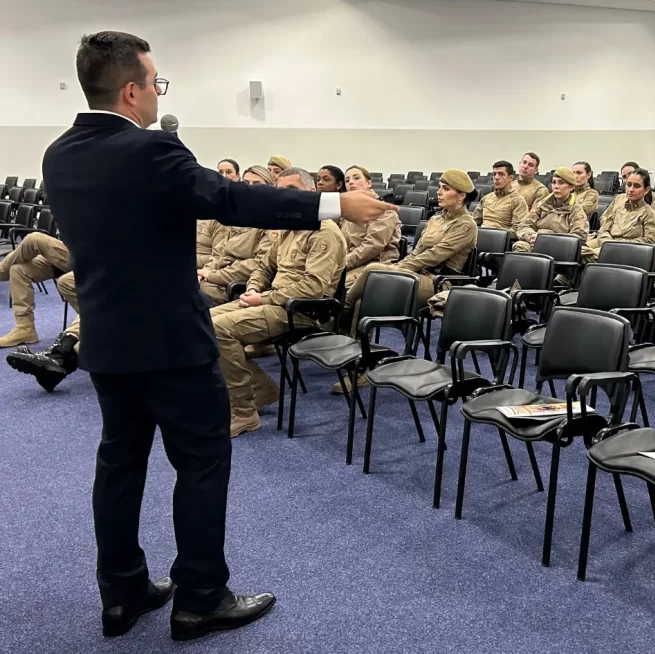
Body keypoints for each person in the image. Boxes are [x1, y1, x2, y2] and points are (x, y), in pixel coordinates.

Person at [42, 31, 395, 642]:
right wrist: (334, 204)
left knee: (119, 465)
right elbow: (229, 197)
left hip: (108, 340)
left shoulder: (59, 154)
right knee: (202, 465)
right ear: (132, 90)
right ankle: (200, 597)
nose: (159, 94)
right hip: (173, 345)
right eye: (158, 83)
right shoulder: (152, 152)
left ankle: (121, 591)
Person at [210, 167, 346, 435]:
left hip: (303, 311)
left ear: (312, 192)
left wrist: (263, 297)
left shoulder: (324, 231)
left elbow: (314, 287)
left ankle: (245, 412)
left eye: (292, 191)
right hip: (273, 303)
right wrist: (252, 288)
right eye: (280, 190)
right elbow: (263, 265)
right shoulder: (289, 227)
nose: (285, 196)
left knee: (218, 330)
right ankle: (259, 387)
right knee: (200, 323)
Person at [343, 169, 478, 328]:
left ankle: (339, 311)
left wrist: (399, 267)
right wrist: (400, 267)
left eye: (446, 189)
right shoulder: (435, 219)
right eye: (440, 187)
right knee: (363, 297)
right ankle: (352, 339)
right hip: (418, 274)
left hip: (439, 282)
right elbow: (417, 251)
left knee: (373, 270)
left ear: (461, 196)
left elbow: (434, 256)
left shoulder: (466, 224)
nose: (439, 192)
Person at [197, 166, 277, 307]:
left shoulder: (272, 222)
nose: (250, 189)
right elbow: (219, 253)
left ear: (270, 188)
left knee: (195, 295)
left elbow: (258, 263)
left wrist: (214, 275)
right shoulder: (238, 218)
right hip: (220, 277)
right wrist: (207, 269)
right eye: (246, 184)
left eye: (257, 184)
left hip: (239, 284)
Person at [0, 233, 71, 347]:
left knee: (34, 239)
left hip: (94, 257)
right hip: (70, 250)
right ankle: (25, 328)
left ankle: (2, 270)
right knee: (18, 270)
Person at [339, 165, 401, 288]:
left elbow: (372, 246)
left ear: (369, 183)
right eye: (347, 180)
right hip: (351, 263)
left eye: (356, 178)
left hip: (375, 265)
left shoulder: (383, 210)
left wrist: (341, 264)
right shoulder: (347, 212)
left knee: (334, 286)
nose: (351, 182)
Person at [581, 168, 655, 262]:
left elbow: (651, 240)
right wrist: (609, 243)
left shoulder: (649, 213)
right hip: (608, 243)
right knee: (577, 249)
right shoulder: (619, 202)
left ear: (646, 190)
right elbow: (604, 229)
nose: (631, 190)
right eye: (629, 185)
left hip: (627, 250)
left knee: (583, 255)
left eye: (637, 186)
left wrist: (619, 245)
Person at [513, 166, 589, 253]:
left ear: (571, 187)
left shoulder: (575, 210)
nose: (556, 186)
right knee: (520, 246)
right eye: (554, 182)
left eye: (561, 183)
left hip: (559, 248)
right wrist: (531, 236)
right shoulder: (542, 204)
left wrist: (547, 240)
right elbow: (524, 225)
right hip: (535, 243)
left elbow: (579, 237)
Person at [471, 160, 528, 236]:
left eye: (501, 174)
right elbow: (473, 221)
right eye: (494, 174)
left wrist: (495, 235)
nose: (496, 178)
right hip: (480, 238)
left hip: (499, 242)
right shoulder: (486, 198)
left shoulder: (518, 201)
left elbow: (518, 230)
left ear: (510, 178)